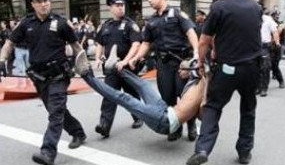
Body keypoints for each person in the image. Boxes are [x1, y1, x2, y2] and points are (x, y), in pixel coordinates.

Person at [0, 0, 87, 165]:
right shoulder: (26, 23)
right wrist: (2, 60)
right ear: (32, 4)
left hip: (58, 75)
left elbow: (76, 46)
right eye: (39, 1)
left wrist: (84, 67)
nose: (44, 4)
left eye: (46, 0)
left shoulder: (61, 22)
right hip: (39, 77)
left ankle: (48, 152)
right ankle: (78, 132)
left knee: (55, 112)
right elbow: (9, 43)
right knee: (56, 110)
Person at [186, 0, 262, 165]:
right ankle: (245, 152)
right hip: (252, 68)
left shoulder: (219, 7)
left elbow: (204, 40)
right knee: (248, 108)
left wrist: (201, 62)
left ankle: (202, 150)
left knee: (212, 107)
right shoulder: (255, 6)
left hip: (227, 69)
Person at [74, 48, 206, 136]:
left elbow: (202, 115)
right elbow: (196, 60)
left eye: (182, 69)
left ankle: (86, 74)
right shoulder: (193, 77)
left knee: (123, 97)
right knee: (143, 85)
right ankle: (114, 68)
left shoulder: (202, 85)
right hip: (164, 109)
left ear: (195, 70)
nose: (178, 71)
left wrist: (199, 105)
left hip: (164, 122)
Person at [129, 0, 199, 142]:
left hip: (181, 63)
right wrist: (136, 57)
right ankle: (176, 127)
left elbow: (190, 32)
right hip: (163, 64)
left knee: (186, 96)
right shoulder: (151, 21)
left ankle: (192, 126)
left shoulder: (177, 14)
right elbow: (146, 43)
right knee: (168, 98)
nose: (149, 0)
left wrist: (196, 52)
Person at [93, 0, 143, 137]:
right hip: (111, 68)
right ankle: (104, 126)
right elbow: (99, 44)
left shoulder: (130, 24)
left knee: (131, 95)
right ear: (110, 7)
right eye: (117, 5)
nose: (121, 8)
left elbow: (136, 44)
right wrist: (97, 58)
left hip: (126, 68)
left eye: (122, 5)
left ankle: (138, 116)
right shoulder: (105, 25)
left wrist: (125, 61)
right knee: (109, 95)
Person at [258, 9, 282, 97]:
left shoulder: (268, 20)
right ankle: (257, 87)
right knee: (255, 68)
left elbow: (276, 31)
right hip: (254, 46)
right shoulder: (250, 18)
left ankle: (264, 88)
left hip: (266, 46)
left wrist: (276, 42)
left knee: (267, 67)